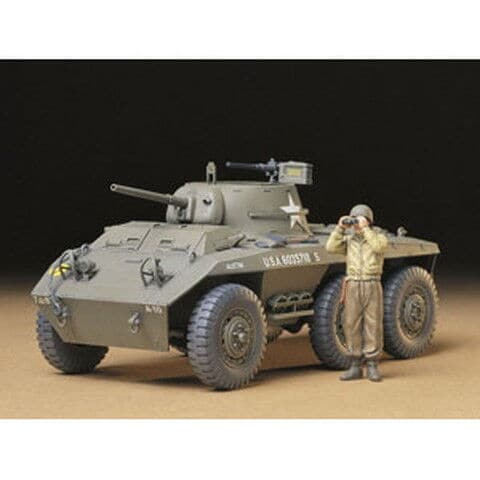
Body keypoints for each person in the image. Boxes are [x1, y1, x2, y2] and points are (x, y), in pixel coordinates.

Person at [325, 204, 388, 382]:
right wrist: (340, 228)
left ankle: (372, 365)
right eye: (354, 219)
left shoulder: (378, 236)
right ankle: (355, 365)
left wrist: (366, 229)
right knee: (350, 324)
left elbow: (378, 247)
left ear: (369, 220)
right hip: (353, 284)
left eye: (360, 219)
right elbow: (330, 247)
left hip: (371, 283)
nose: (356, 223)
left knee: (373, 324)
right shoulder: (349, 240)